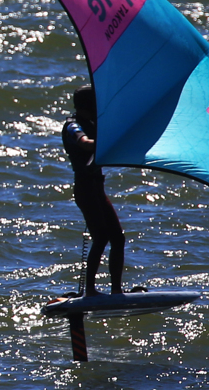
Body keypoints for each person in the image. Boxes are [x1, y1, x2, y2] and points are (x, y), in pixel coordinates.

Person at [62, 84, 126, 296]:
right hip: (85, 188)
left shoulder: (92, 123)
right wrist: (104, 141)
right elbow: (86, 144)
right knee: (101, 237)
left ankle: (116, 291)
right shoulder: (72, 126)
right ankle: (90, 291)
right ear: (87, 105)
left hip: (97, 187)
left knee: (117, 238)